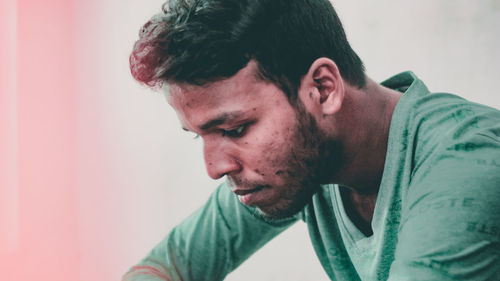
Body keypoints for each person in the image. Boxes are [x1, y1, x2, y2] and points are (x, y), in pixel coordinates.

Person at [123, 0, 500, 280]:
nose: (216, 167)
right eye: (199, 136)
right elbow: (167, 266)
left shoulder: (463, 163)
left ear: (322, 89)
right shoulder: (304, 162)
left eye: (235, 130)